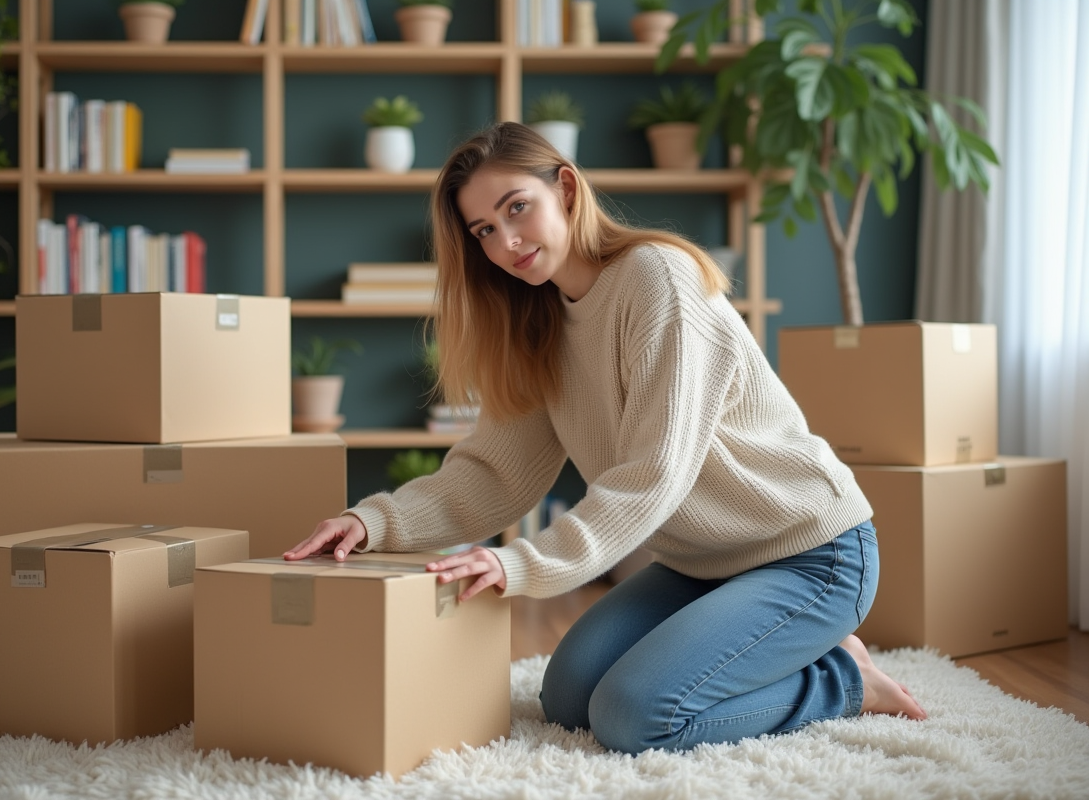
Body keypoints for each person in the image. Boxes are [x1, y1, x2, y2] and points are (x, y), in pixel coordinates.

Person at [284, 120, 927, 753]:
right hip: (700, 564)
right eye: (484, 229)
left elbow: (656, 474)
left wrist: (520, 564)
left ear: (565, 188)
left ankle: (845, 681)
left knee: (634, 717)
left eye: (517, 208)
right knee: (567, 700)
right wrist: (373, 523)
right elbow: (493, 474)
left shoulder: (657, 278)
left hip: (809, 551)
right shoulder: (538, 324)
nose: (507, 241)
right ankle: (779, 647)